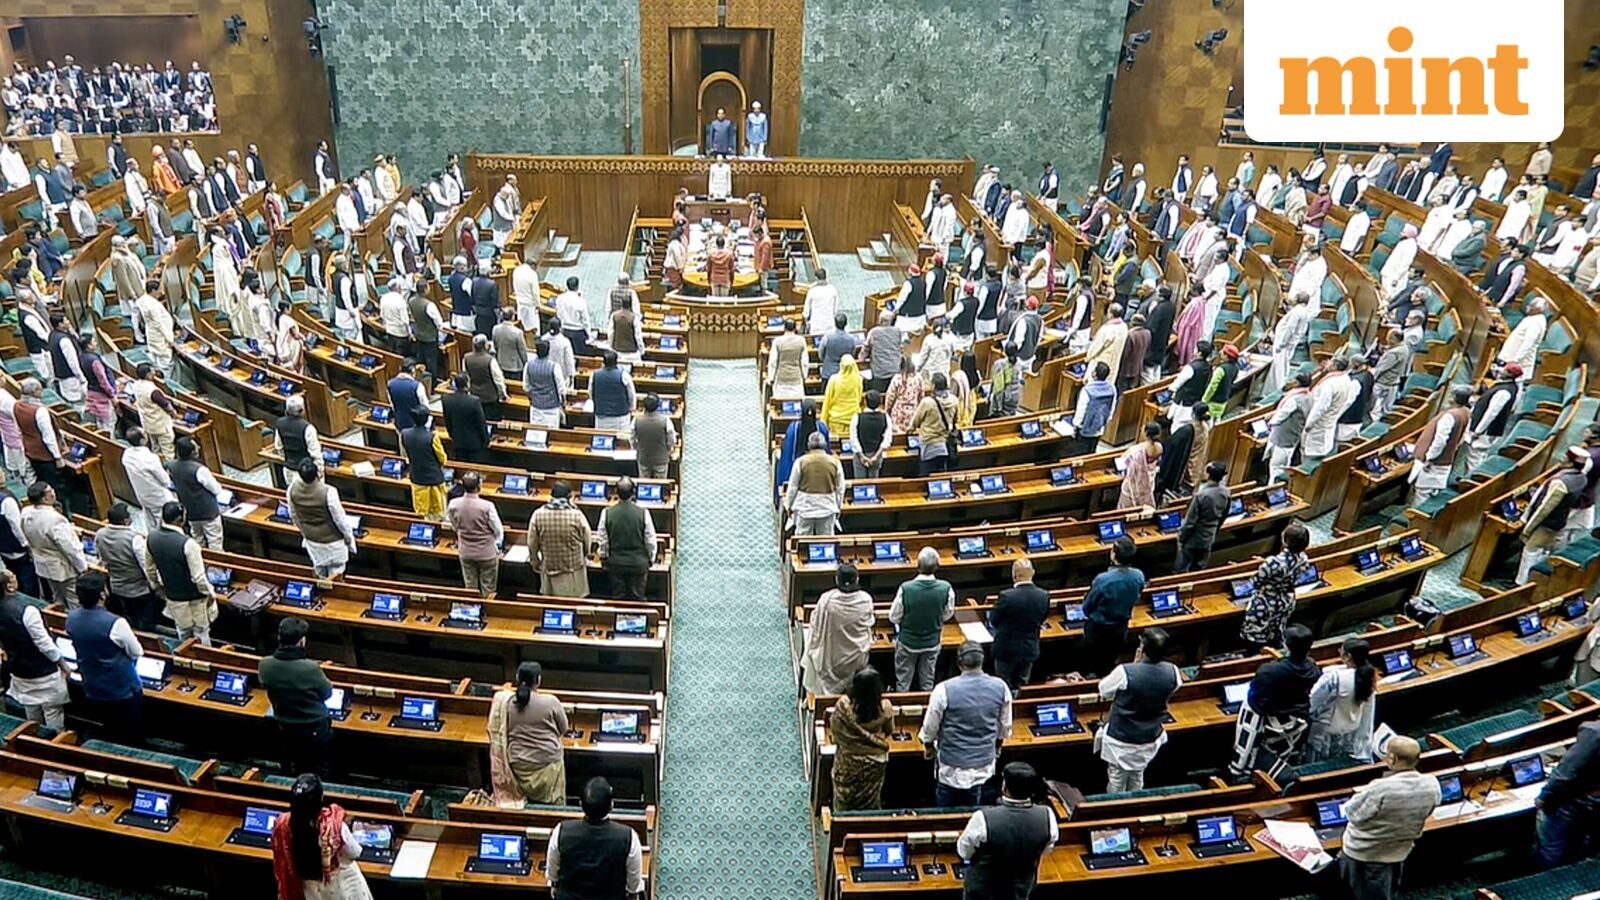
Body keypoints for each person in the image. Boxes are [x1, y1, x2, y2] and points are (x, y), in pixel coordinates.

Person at [1337, 737, 1440, 900]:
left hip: (1365, 853)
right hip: (1398, 850)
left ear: (1392, 758)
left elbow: (1354, 814)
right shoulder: (1432, 783)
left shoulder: (1381, 787)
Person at [921, 642, 1011, 806]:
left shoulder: (943, 690)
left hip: (951, 764)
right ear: (982, 661)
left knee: (945, 810)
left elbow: (930, 727)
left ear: (959, 663)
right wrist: (997, 747)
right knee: (976, 807)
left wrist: (928, 745)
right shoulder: (1001, 687)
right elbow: (1004, 727)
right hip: (984, 763)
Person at [955, 761, 1058, 899]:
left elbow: (964, 852)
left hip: (983, 891)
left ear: (1004, 786)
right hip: (1020, 890)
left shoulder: (982, 818)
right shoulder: (1048, 816)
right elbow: (1045, 849)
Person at [1229, 624, 1319, 776]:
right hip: (1296, 718)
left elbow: (1256, 701)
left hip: (1270, 719)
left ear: (1286, 645)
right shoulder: (1312, 668)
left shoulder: (1269, 671)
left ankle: (1240, 768)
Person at [1097, 628, 1181, 792]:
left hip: (1121, 738)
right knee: (1138, 774)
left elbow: (1104, 690)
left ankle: (1117, 806)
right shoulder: (1173, 672)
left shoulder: (1125, 672)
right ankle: (1136, 802)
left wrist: (1136, 665)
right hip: (1150, 736)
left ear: (1142, 649)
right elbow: (1169, 690)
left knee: (1116, 778)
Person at [269, 773, 375, 900]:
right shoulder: (334, 825)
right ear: (320, 799)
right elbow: (355, 853)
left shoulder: (282, 825)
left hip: (311, 892)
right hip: (342, 889)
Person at [66, 573, 145, 742]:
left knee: (108, 729)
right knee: (130, 735)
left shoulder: (71, 618)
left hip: (92, 686)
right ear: (103, 594)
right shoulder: (116, 623)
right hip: (122, 689)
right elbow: (136, 651)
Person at [545, 777, 646, 899]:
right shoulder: (629, 836)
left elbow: (553, 876)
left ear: (581, 804)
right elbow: (633, 886)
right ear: (611, 806)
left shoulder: (561, 831)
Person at [260, 617, 334, 778]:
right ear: (302, 641)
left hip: (284, 726)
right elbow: (327, 693)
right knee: (320, 767)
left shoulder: (264, 664)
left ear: (279, 638)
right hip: (314, 728)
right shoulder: (310, 668)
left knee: (295, 764)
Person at [0, 561, 70, 731]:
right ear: (9, 586)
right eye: (12, 577)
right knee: (52, 711)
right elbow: (44, 644)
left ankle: (35, 735)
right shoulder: (27, 611)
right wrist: (62, 664)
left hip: (18, 669)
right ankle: (54, 739)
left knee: (31, 708)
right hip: (42, 670)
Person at [488, 661, 570, 806]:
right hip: (547, 765)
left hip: (517, 765)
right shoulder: (551, 702)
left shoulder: (506, 703)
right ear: (538, 680)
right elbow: (564, 729)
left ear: (517, 678)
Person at [144, 501, 216, 645]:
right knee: (201, 633)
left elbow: (150, 569)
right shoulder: (189, 544)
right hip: (195, 600)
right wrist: (210, 593)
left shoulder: (151, 538)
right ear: (180, 519)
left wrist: (158, 588)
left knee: (183, 633)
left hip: (173, 597)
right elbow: (198, 578)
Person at [1516, 448, 1591, 584]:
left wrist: (1528, 527)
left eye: (1565, 458)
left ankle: (1521, 583)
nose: (1561, 458)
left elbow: (1545, 508)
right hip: (1558, 521)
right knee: (1542, 550)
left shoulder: (1561, 482)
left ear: (1570, 463)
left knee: (1530, 552)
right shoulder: (1582, 479)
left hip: (1546, 523)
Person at [1534, 717, 1600, 866]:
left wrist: (1545, 795)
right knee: (1585, 844)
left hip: (1580, 797)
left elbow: (1567, 772)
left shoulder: (1595, 732)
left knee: (1551, 844)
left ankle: (1547, 876)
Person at [802, 563, 875, 695]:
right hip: (856, 656)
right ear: (857, 579)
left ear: (837, 580)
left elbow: (816, 624)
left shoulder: (827, 600)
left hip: (831, 657)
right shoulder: (866, 600)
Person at [890, 547, 956, 692]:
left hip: (907, 642)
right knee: (927, 681)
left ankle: (902, 703)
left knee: (903, 682)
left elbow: (894, 617)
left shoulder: (905, 588)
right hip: (932, 642)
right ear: (937, 567)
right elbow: (947, 614)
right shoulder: (946, 588)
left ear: (918, 565)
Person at [829, 667, 895, 811]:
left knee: (844, 802)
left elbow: (835, 732)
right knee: (869, 803)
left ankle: (841, 821)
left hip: (847, 763)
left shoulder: (843, 709)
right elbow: (889, 731)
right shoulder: (885, 709)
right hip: (874, 762)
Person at [1305, 637, 1378, 764]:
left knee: (1319, 766)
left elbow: (1313, 703)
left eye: (1341, 650)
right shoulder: (1369, 676)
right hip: (1351, 731)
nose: (1339, 651)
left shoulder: (1333, 678)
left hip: (1326, 734)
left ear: (1347, 656)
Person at [287, 460, 358, 580]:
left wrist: (305, 533)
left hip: (312, 540)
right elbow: (340, 520)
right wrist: (349, 539)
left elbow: (294, 516)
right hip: (333, 542)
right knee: (336, 576)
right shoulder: (329, 492)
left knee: (319, 573)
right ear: (317, 474)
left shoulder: (291, 490)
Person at [21, 481, 85, 610]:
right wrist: (82, 566)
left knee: (57, 598)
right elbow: (69, 548)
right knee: (74, 600)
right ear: (45, 498)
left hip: (43, 564)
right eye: (51, 491)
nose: (54, 492)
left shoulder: (26, 512)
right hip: (62, 568)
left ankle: (57, 619)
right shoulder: (55, 519)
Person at [990, 559, 1050, 693]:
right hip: (1029, 649)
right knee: (1022, 687)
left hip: (1006, 651)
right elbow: (1042, 618)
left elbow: (993, 620)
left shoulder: (1006, 596)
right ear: (1033, 573)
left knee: (1002, 688)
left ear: (1014, 575)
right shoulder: (1044, 595)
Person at [527, 481, 592, 598]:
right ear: (569, 497)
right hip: (573, 572)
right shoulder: (577, 516)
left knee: (551, 602)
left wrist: (535, 562)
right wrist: (585, 555)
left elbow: (532, 543)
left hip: (549, 570)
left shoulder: (537, 515)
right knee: (573, 603)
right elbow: (587, 540)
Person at [1410, 386, 1473, 505]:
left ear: (1453, 397)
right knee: (1432, 492)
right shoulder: (1466, 412)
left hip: (1434, 463)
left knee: (1422, 494)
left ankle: (1417, 515)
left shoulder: (1449, 416)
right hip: (1445, 460)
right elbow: (1463, 437)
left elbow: (1440, 441)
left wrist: (1429, 458)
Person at [598, 478, 657, 601]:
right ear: (634, 492)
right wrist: (650, 559)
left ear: (616, 492)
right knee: (637, 600)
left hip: (615, 564)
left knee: (618, 599)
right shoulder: (644, 513)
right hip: (638, 564)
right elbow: (650, 541)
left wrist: (604, 557)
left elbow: (603, 541)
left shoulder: (606, 513)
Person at [447, 473, 505, 598]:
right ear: (479, 486)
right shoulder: (487, 506)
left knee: (470, 588)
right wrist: (496, 543)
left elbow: (454, 526)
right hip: (487, 553)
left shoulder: (453, 504)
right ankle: (487, 608)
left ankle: (473, 608)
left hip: (465, 552)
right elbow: (498, 530)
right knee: (488, 588)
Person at [784, 432, 845, 536]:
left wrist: (788, 505)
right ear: (825, 445)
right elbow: (840, 488)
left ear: (808, 445)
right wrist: (838, 507)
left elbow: (793, 487)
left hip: (805, 509)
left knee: (803, 541)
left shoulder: (800, 462)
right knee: (826, 542)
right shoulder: (835, 463)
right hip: (827, 508)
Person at [1303, 357, 1360, 463]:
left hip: (1318, 425)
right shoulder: (1346, 379)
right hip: (1330, 421)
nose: (1328, 363)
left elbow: (1320, 408)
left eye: (1330, 362)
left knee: (1311, 459)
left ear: (1334, 366)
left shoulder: (1330, 384)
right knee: (1323, 451)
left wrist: (1308, 424)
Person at [1176, 461, 1230, 572]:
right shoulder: (1226, 493)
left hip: (1193, 539)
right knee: (1198, 569)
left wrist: (1181, 537)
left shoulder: (1201, 495)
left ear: (1208, 474)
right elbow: (1223, 516)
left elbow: (1190, 522)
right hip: (1209, 537)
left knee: (1181, 571)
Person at [1466, 366, 1520, 472]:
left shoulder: (1504, 391)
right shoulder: (1510, 386)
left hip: (1487, 430)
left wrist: (1479, 430)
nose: (1501, 371)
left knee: (1475, 456)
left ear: (1510, 375)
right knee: (1479, 455)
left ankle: (1472, 477)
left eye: (1505, 370)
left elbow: (1491, 413)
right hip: (1489, 430)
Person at [122, 427, 175, 531]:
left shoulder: (127, 455)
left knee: (148, 516)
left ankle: (151, 535)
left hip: (141, 493)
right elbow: (164, 480)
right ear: (142, 440)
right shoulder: (150, 458)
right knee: (161, 519)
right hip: (156, 495)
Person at [910, 373, 960, 475]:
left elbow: (915, 422)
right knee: (940, 477)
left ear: (933, 386)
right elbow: (956, 419)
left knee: (925, 477)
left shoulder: (927, 402)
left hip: (928, 445)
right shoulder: (954, 400)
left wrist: (910, 430)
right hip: (944, 445)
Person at [400, 418, 448, 522]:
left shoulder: (404, 434)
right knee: (438, 511)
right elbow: (442, 458)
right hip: (434, 478)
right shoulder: (432, 437)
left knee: (421, 511)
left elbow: (405, 454)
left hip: (417, 477)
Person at [1067, 362, 1117, 456]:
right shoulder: (1112, 389)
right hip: (1099, 428)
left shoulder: (1087, 390)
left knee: (1080, 454)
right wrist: (1104, 423)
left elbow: (1081, 411)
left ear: (1094, 373)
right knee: (1092, 452)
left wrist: (1076, 425)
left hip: (1084, 430)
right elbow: (1111, 409)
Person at [441, 374, 491, 464]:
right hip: (474, 443)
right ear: (467, 384)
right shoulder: (474, 401)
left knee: (461, 467)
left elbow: (448, 421)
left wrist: (453, 436)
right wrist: (486, 440)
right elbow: (481, 423)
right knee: (474, 468)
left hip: (458, 441)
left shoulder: (447, 400)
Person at [847, 391, 893, 481]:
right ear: (880, 403)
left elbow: (853, 438)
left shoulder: (857, 417)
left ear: (865, 402)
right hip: (877, 453)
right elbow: (887, 439)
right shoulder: (885, 417)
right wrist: (876, 456)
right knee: (874, 482)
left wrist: (861, 456)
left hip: (860, 455)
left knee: (860, 483)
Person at [274, 396, 323, 479]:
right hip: (307, 473)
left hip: (289, 469)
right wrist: (320, 470)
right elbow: (315, 453)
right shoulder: (308, 428)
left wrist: (287, 460)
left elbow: (279, 447)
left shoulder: (280, 423)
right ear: (302, 411)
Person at [1117, 423, 1162, 510]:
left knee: (1124, 512)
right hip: (1148, 486)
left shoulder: (1136, 451)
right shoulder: (1160, 447)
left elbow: (1123, 464)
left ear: (1145, 433)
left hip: (1132, 488)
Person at [633, 394, 677, 480]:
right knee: (660, 484)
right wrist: (668, 450)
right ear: (657, 406)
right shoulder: (665, 421)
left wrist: (637, 448)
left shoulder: (636, 420)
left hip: (644, 459)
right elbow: (672, 439)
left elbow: (632, 438)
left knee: (644, 485)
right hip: (661, 459)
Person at [592, 351, 637, 435]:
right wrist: (631, 408)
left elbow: (591, 392)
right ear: (616, 362)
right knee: (622, 440)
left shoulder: (594, 375)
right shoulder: (624, 375)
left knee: (602, 438)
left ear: (603, 362)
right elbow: (631, 394)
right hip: (621, 416)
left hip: (601, 416)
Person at [820, 354, 864, 440]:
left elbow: (827, 400)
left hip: (835, 420)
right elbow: (859, 398)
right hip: (853, 419)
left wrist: (823, 421)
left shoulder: (834, 380)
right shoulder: (859, 380)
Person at [767, 319, 811, 400]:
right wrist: (804, 375)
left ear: (784, 328)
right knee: (797, 402)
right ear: (795, 328)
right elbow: (804, 362)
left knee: (781, 402)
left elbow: (773, 362)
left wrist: (771, 377)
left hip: (781, 379)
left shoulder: (777, 341)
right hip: (796, 379)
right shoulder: (801, 341)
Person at [820, 314, 860, 382]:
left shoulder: (827, 337)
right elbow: (852, 354)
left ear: (835, 324)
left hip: (828, 373)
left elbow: (821, 352)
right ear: (846, 324)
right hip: (845, 373)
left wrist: (824, 360)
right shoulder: (851, 339)